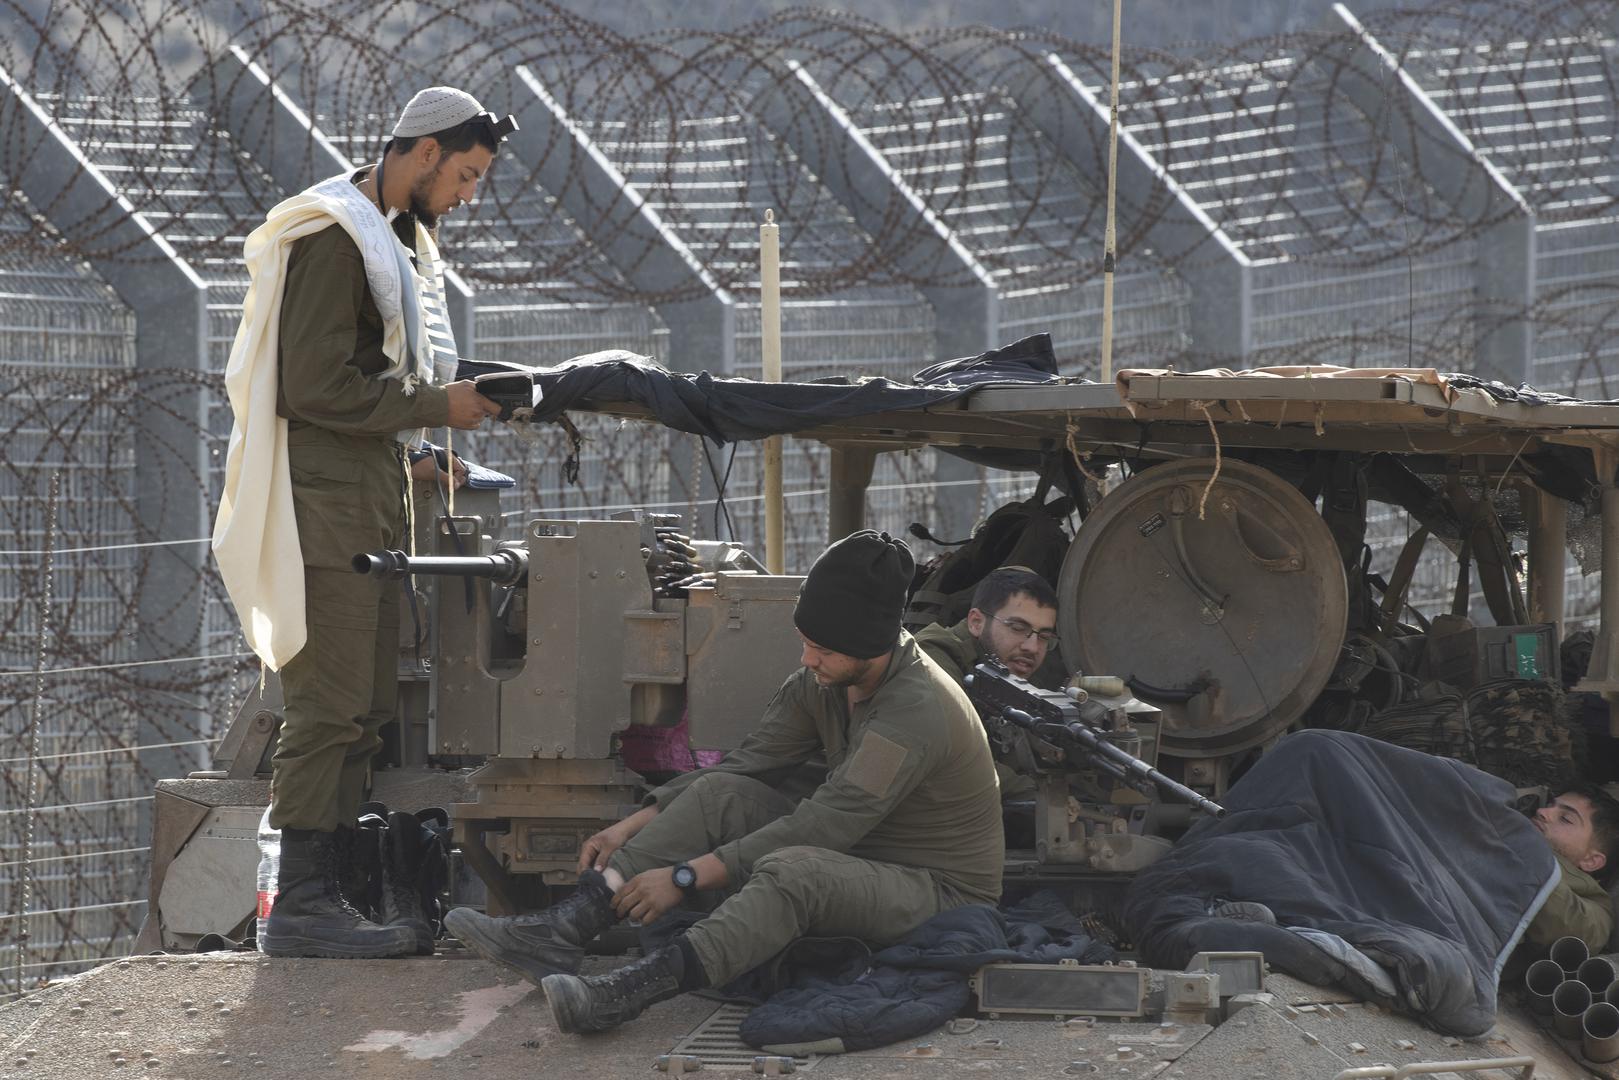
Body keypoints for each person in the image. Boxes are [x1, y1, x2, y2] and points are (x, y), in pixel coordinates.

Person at [445, 530, 1005, 1033]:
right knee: (720, 794)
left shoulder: (915, 712)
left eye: (824, 649)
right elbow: (745, 766)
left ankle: (624, 993)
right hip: (868, 850)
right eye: (804, 640)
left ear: (873, 646)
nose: (807, 659)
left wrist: (685, 877)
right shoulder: (828, 678)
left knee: (795, 872)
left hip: (935, 888)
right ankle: (565, 928)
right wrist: (635, 824)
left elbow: (826, 824)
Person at [213, 86, 511, 958]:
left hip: (367, 495)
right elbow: (311, 387)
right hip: (324, 507)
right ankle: (301, 907)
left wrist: (413, 449)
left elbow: (358, 379)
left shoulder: (386, 234)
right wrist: (433, 407)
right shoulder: (336, 235)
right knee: (328, 706)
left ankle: (334, 893)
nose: (466, 195)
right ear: (422, 154)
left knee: (367, 706)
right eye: (463, 175)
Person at [914, 567, 1061, 801]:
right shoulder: (934, 659)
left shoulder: (1012, 666)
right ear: (976, 622)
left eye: (1044, 636)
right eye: (1018, 628)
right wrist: (1051, 794)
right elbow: (956, 764)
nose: (1032, 647)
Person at [1524, 783, 1619, 949]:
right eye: (1549, 805)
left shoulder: (1598, 916)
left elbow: (1566, 922)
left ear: (1591, 861)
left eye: (1565, 819)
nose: (1542, 812)